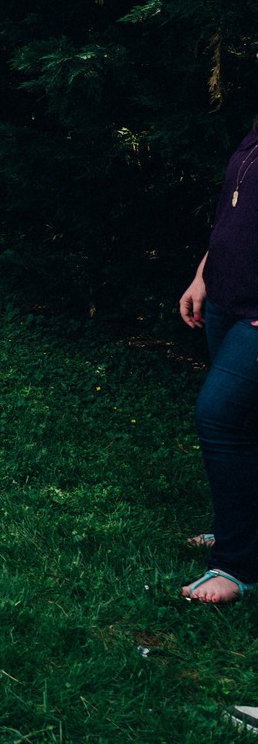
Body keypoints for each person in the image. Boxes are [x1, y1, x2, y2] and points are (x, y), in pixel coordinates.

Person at [176, 123, 258, 605]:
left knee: (220, 413)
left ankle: (237, 565)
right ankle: (239, 533)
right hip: (226, 297)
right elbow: (235, 215)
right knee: (247, 426)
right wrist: (202, 276)